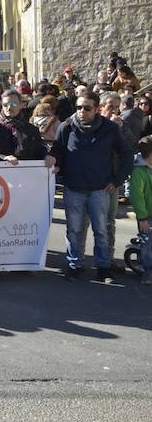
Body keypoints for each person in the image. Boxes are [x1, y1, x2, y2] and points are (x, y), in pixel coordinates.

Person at [52, 91, 133, 284]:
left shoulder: (110, 128)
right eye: (78, 107)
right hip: (73, 189)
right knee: (74, 230)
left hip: (100, 190)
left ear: (97, 109)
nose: (81, 111)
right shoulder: (66, 127)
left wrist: (117, 180)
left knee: (102, 230)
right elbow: (57, 151)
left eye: (87, 108)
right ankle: (74, 265)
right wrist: (55, 164)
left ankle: (103, 268)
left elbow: (127, 154)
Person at [0, 90, 51, 164]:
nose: (9, 108)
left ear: (21, 105)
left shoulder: (32, 129)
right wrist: (3, 158)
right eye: (5, 105)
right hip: (0, 172)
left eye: (13, 104)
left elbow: (39, 151)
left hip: (26, 172)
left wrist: (47, 157)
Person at [129, 136, 152, 284]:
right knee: (148, 244)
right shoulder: (139, 172)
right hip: (147, 216)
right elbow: (137, 196)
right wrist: (142, 217)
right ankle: (148, 272)